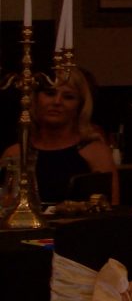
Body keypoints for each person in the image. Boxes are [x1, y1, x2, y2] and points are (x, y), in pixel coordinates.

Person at [2, 67, 120, 205]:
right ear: (35, 99)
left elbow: (110, 211)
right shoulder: (16, 153)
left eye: (68, 97)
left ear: (80, 106)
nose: (57, 102)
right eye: (50, 93)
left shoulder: (95, 153)